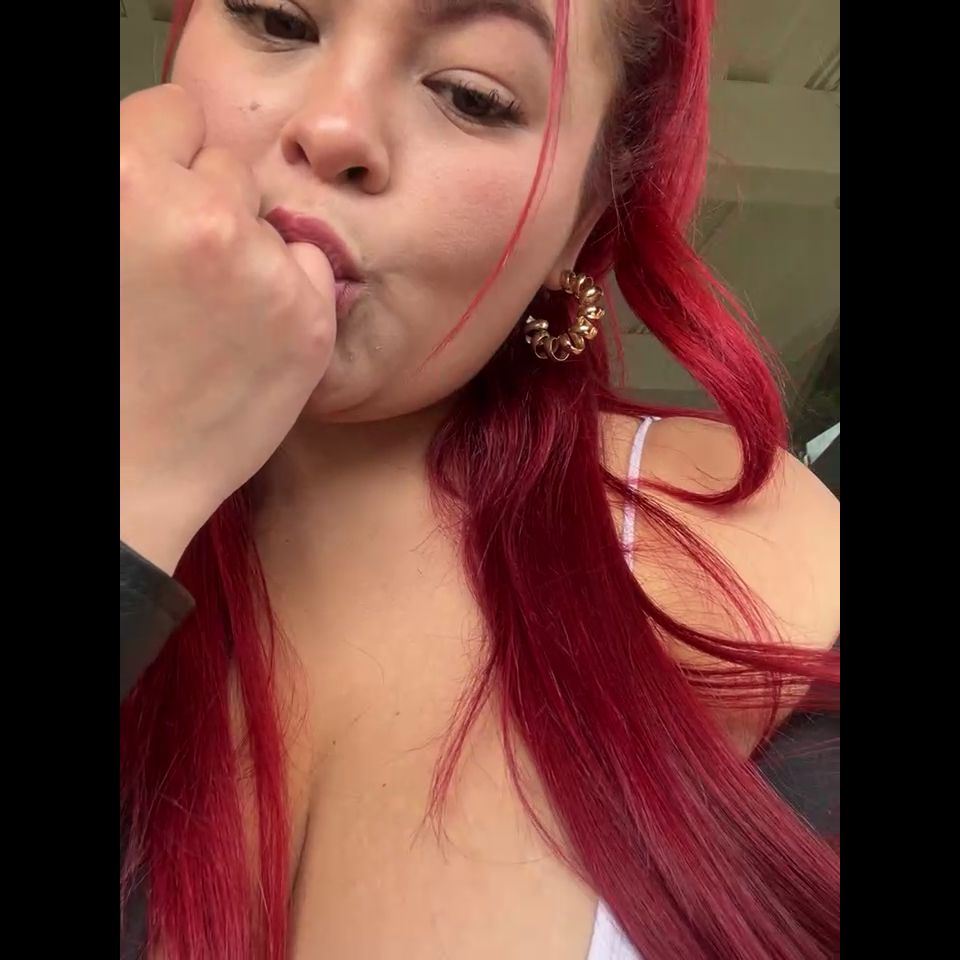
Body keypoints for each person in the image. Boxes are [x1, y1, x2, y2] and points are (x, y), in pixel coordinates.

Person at [119, 0, 841, 957]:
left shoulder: (735, 542)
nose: (331, 127)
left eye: (472, 94)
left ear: (582, 224)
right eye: (278, 19)